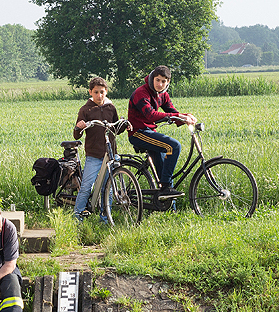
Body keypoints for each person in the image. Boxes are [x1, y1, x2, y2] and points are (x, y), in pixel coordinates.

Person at [127, 66, 197, 198]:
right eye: (157, 80)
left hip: (149, 132)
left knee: (164, 171)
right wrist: (179, 116)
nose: (160, 84)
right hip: (138, 133)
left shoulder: (163, 94)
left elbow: (172, 111)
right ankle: (166, 187)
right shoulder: (141, 93)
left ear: (168, 82)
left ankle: (169, 207)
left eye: (163, 81)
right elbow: (150, 115)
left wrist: (186, 117)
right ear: (152, 78)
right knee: (174, 146)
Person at [72, 76, 126, 221]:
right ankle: (77, 216)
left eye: (102, 92)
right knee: (86, 186)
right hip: (94, 155)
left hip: (111, 154)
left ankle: (105, 216)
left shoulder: (111, 107)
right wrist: (79, 127)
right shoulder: (85, 109)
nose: (99, 95)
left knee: (108, 187)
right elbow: (76, 134)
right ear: (90, 92)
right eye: (96, 92)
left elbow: (116, 129)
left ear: (106, 92)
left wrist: (123, 124)